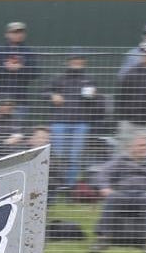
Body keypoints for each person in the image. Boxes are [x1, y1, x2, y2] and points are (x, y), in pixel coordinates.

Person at [89, 134, 146, 253]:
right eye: (140, 145)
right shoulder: (120, 160)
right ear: (131, 147)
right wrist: (104, 187)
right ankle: (103, 238)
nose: (144, 148)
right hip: (123, 194)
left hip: (145, 194)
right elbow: (102, 173)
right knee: (112, 197)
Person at [46, 51, 105, 191]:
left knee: (75, 156)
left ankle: (70, 187)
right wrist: (52, 95)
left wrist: (95, 96)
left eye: (80, 59)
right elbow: (44, 92)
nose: (77, 61)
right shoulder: (59, 79)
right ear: (68, 61)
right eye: (74, 59)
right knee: (58, 155)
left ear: (84, 62)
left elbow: (97, 103)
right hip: (59, 122)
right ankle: (57, 185)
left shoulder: (89, 80)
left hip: (81, 123)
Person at [0, 21, 35, 106]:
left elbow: (35, 72)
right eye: (15, 32)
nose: (19, 34)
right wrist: (5, 67)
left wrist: (20, 68)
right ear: (7, 34)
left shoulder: (28, 52)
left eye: (21, 32)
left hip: (20, 98)